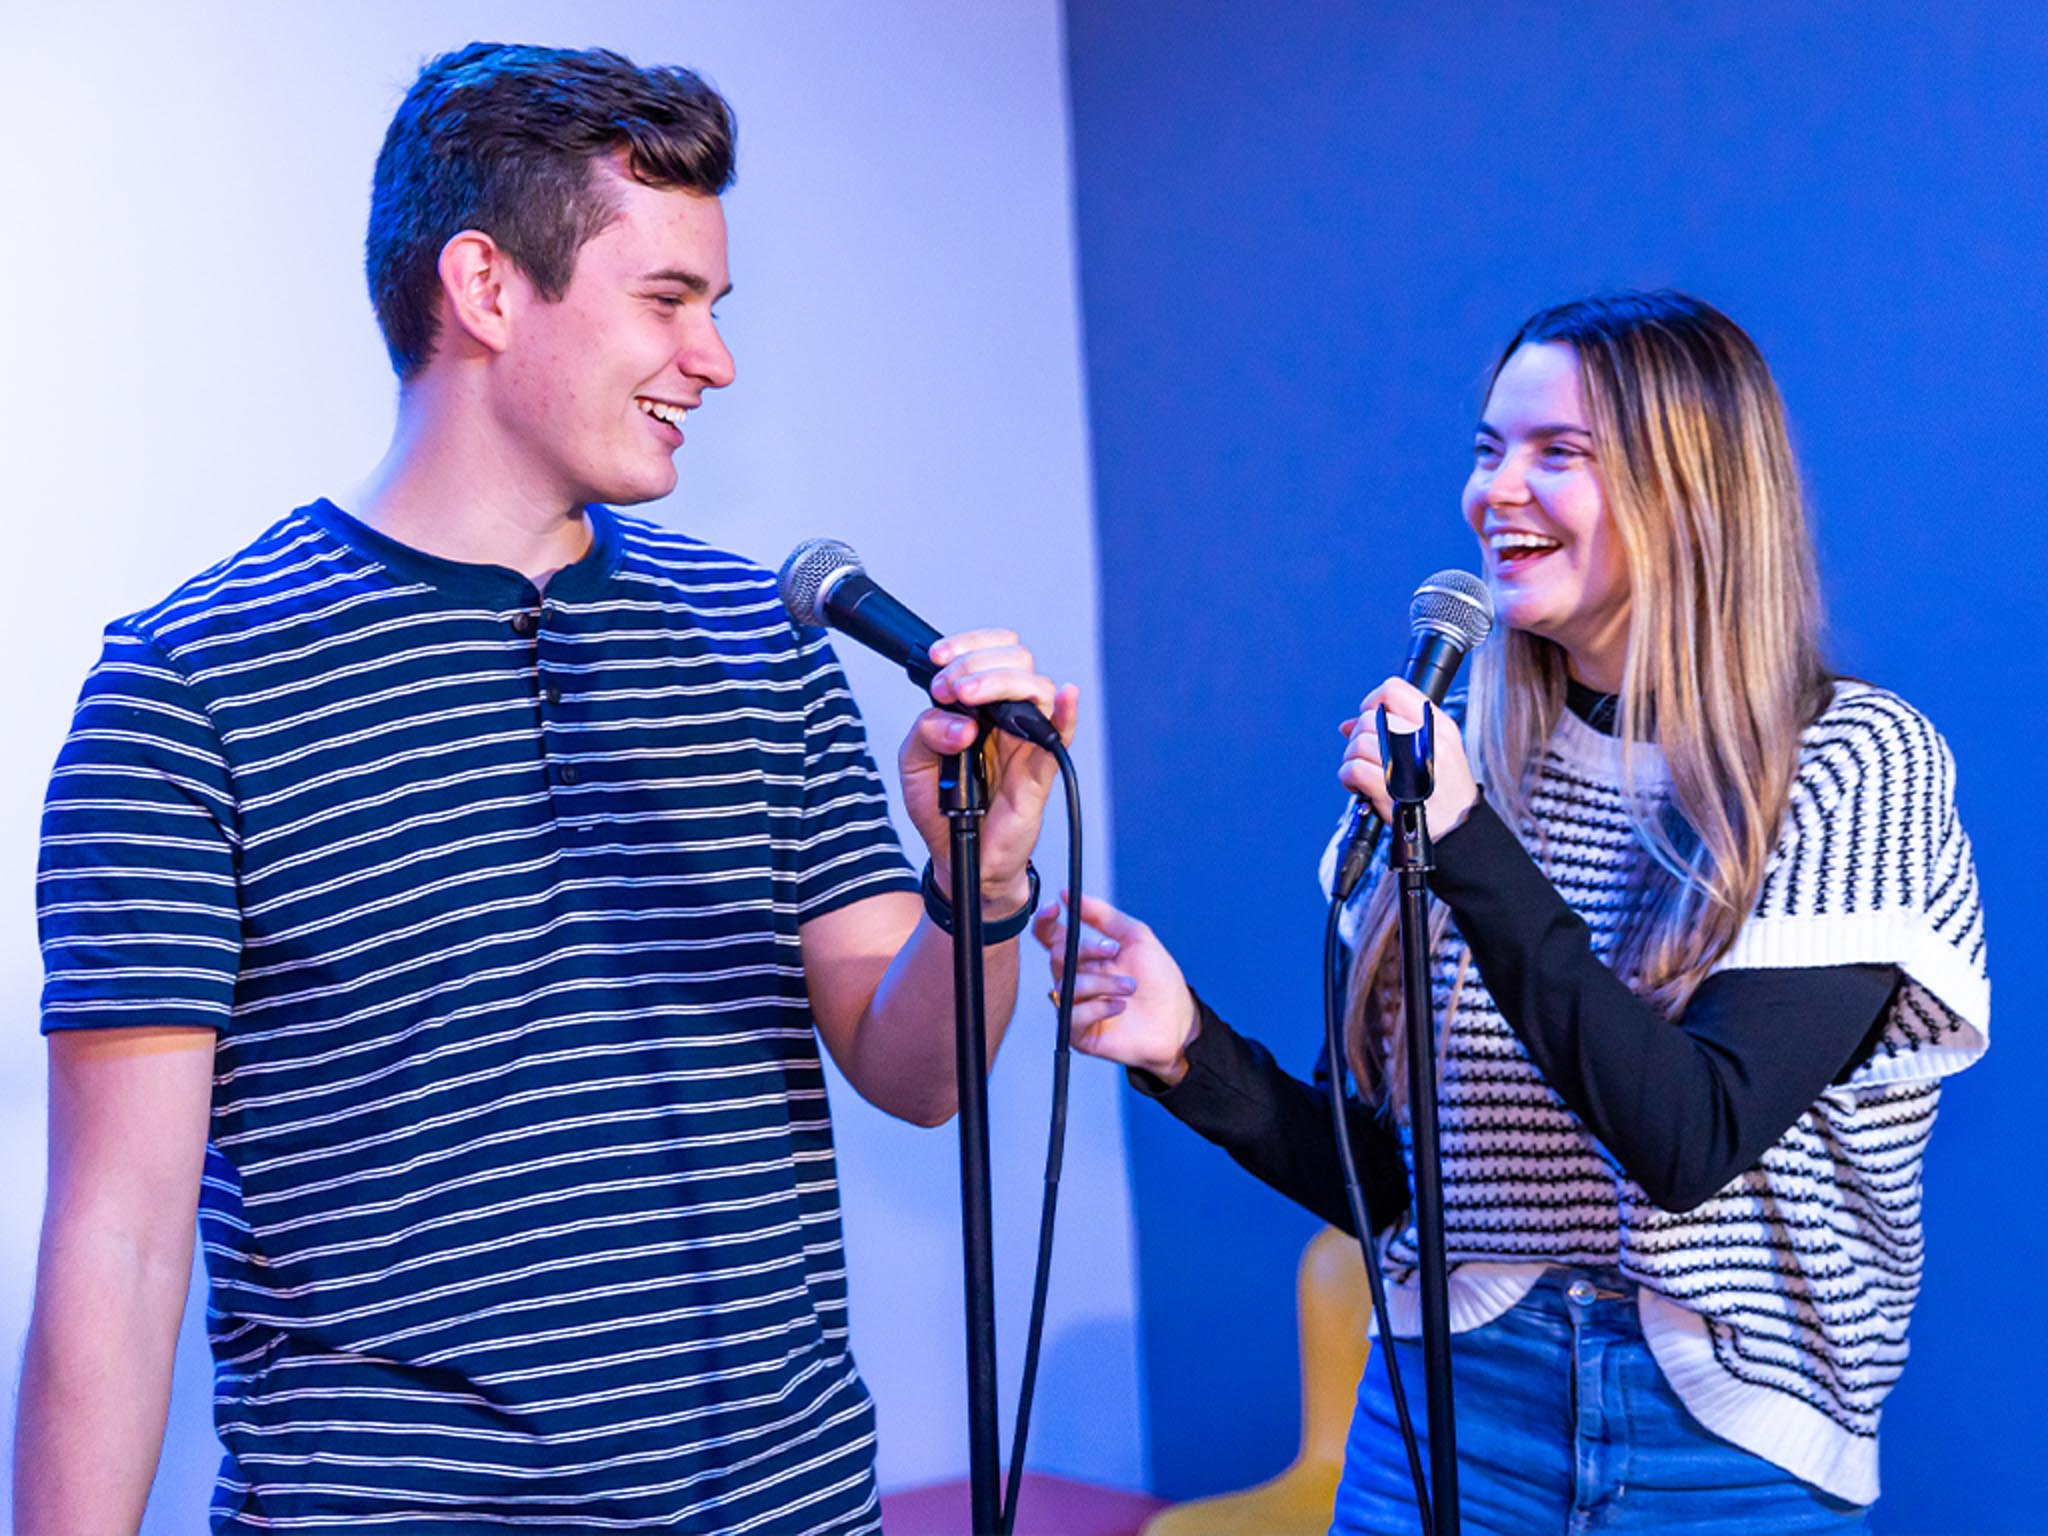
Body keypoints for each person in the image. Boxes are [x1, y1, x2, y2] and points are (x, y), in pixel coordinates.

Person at [16, 42, 1077, 1536]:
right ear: (489, 288)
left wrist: (981, 884)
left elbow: (915, 1074)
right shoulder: (191, 686)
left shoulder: (758, 644)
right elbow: (116, 1247)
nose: (715, 360)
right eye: (668, 300)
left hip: (782, 1507)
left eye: (717, 307)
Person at [1037, 291, 1986, 1532]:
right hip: (1441, 1413)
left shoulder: (1847, 762)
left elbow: (1688, 1141)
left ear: (1692, 491)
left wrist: (1465, 840)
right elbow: (1402, 1184)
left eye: (1558, 454)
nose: (1497, 491)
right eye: (1487, 450)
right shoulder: (1469, 761)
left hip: (1718, 1450)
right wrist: (1187, 1053)